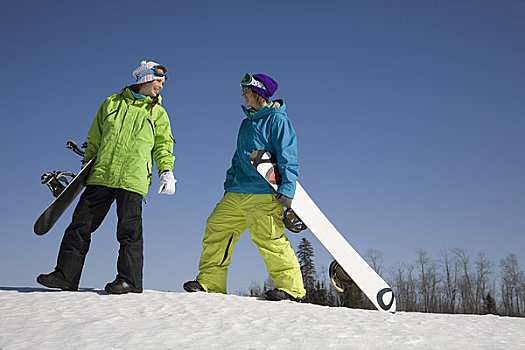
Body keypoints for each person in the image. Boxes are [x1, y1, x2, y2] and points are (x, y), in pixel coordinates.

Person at [37, 60, 177, 294]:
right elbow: (95, 137)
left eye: (163, 82)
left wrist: (167, 172)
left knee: (129, 232)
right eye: (158, 80)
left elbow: (163, 146)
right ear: (144, 78)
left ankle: (129, 281)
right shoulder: (111, 103)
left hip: (133, 179)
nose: (161, 86)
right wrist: (86, 164)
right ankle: (65, 276)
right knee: (80, 225)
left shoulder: (158, 113)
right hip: (102, 175)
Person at [184, 73, 306, 301]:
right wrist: (230, 182)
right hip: (237, 191)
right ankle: (210, 282)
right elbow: (238, 157)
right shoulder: (246, 123)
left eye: (247, 91)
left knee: (269, 238)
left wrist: (288, 190)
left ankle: (291, 289)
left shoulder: (278, 120)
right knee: (216, 227)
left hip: (263, 193)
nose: (243, 95)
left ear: (259, 93)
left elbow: (288, 156)